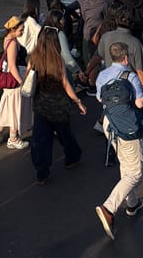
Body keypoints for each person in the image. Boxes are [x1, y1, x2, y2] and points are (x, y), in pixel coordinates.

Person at [95, 42, 143, 240]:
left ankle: (132, 203)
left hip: (110, 124)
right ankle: (108, 208)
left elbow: (100, 99)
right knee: (135, 172)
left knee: (126, 163)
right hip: (128, 126)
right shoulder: (130, 76)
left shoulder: (102, 76)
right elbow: (140, 102)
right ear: (126, 58)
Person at [28, 26, 86, 184]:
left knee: (41, 140)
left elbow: (29, 80)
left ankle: (42, 171)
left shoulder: (34, 58)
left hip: (41, 104)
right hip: (59, 105)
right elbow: (66, 84)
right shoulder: (58, 60)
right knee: (65, 134)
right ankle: (72, 158)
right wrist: (78, 101)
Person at [0, 16, 31, 150]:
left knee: (8, 105)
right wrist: (22, 82)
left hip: (9, 77)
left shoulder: (8, 39)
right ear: (13, 29)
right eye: (21, 29)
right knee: (15, 107)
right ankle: (13, 138)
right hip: (14, 77)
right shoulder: (13, 43)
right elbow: (13, 66)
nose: (22, 32)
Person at [97, 5, 143, 102]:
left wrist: (87, 72)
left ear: (117, 21)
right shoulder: (135, 42)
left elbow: (97, 56)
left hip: (110, 85)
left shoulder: (105, 37)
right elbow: (140, 71)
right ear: (131, 23)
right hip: (129, 85)